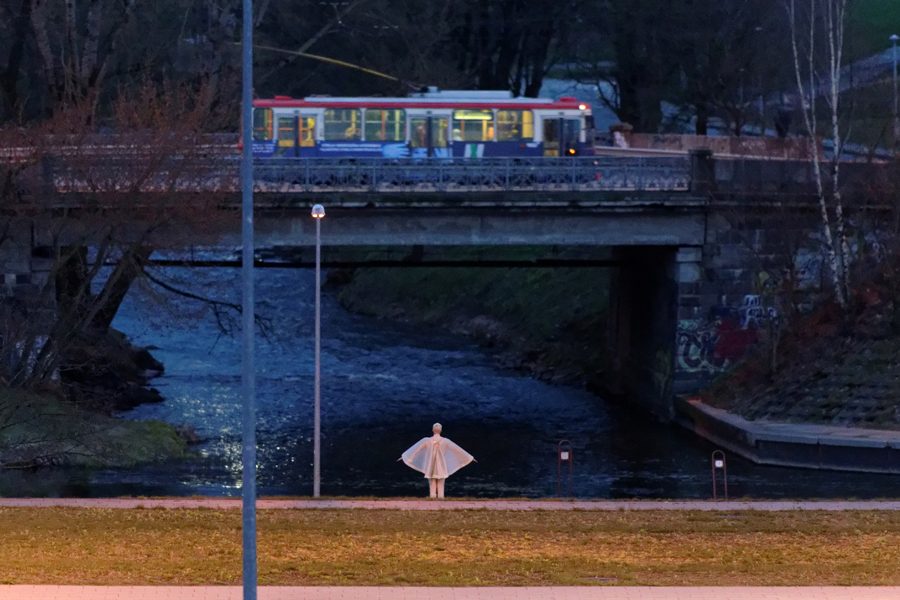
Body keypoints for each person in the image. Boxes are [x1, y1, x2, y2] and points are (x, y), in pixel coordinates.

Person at [400, 423, 474, 499]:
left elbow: (417, 450)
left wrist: (408, 457)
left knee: (432, 484)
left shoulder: (426, 440)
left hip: (431, 466)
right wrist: (469, 457)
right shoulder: (446, 441)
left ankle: (432, 498)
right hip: (441, 466)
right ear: (441, 430)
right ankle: (441, 498)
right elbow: (458, 450)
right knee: (441, 484)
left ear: (432, 430)